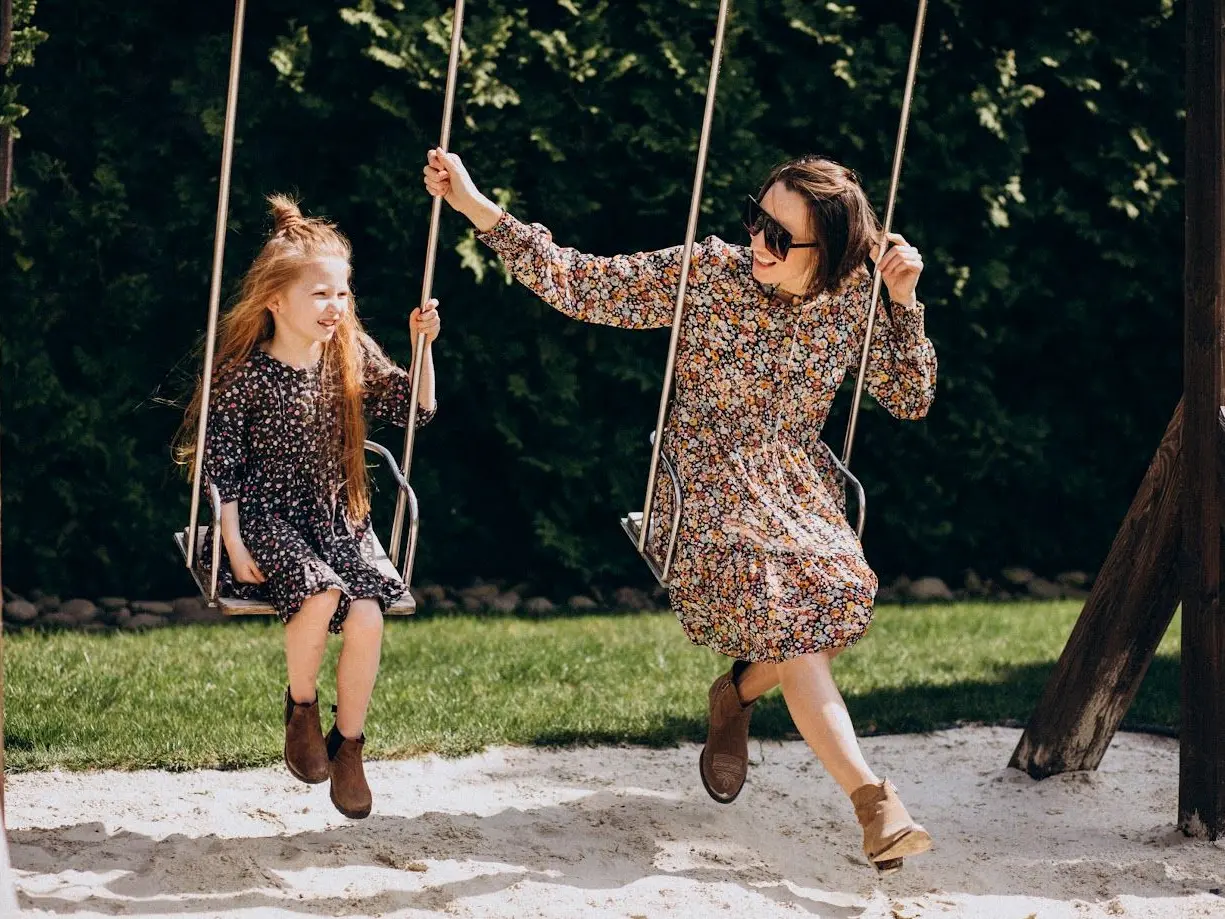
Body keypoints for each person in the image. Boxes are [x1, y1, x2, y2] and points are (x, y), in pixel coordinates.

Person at [424, 149, 935, 871]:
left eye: (779, 238)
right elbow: (578, 283)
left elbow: (910, 398)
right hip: (703, 480)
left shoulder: (851, 295)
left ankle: (734, 692)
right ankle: (874, 802)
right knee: (797, 624)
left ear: (829, 252)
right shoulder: (709, 274)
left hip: (794, 484)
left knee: (822, 615)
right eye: (755, 219)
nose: (755, 242)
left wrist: (904, 304)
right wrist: (477, 204)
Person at [176, 194, 440, 820]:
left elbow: (417, 410)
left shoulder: (348, 357)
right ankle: (302, 709)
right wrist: (235, 544)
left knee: (369, 615)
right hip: (268, 521)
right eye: (320, 294)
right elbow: (223, 468)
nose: (335, 308)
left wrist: (421, 348)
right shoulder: (245, 375)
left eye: (342, 295)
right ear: (275, 300)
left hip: (334, 517)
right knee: (321, 597)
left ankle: (348, 747)